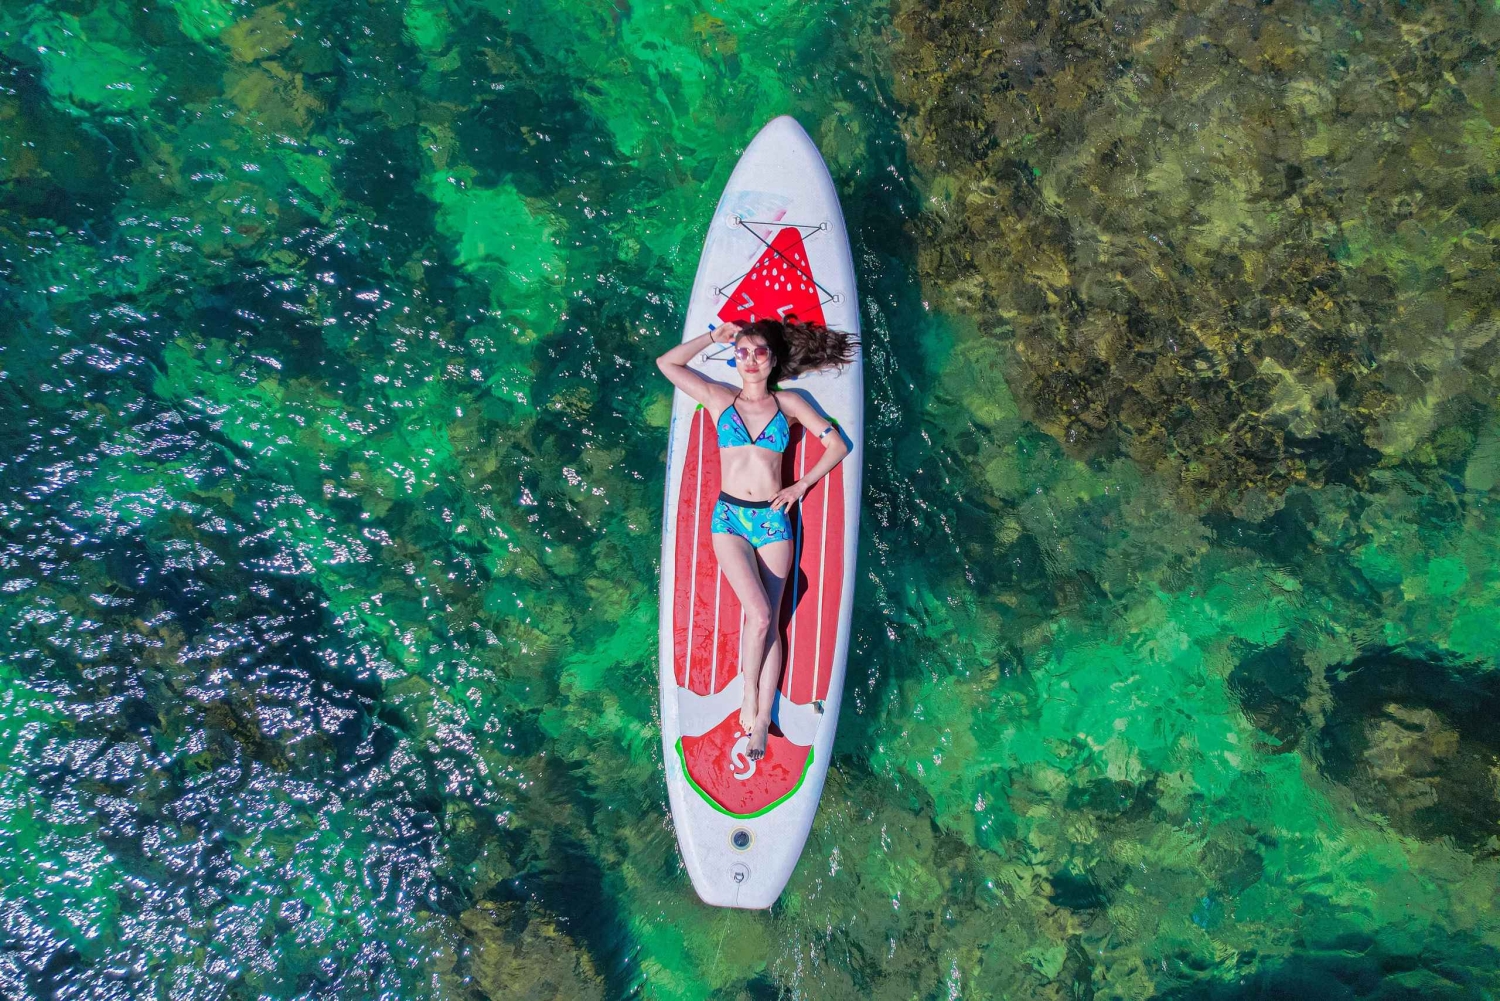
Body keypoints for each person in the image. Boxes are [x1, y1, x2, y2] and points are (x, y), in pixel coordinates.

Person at [656, 316, 855, 759]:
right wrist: (712, 336)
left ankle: (763, 718)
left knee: (770, 621)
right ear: (734, 359)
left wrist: (801, 485)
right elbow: (667, 364)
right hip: (728, 518)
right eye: (741, 352)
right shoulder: (719, 399)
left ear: (772, 359)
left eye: (758, 351)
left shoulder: (789, 404)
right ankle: (749, 693)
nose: (749, 359)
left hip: (771, 521)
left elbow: (837, 445)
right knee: (761, 616)